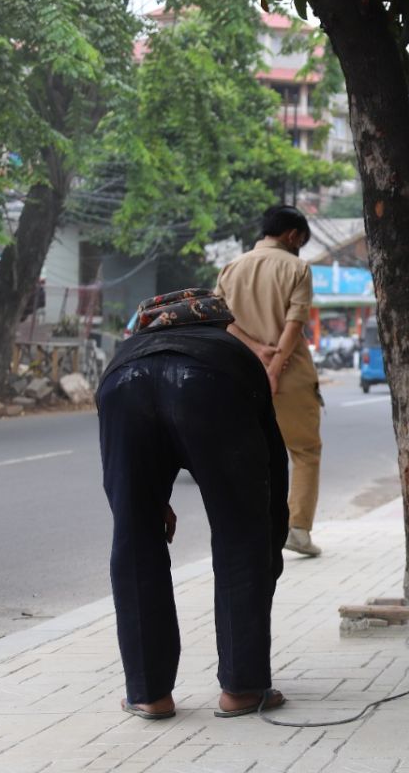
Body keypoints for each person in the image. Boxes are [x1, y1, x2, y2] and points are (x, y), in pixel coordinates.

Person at [96, 289, 289, 719]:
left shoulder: (126, 354)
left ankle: (149, 695)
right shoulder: (229, 351)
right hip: (209, 385)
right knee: (241, 536)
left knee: (135, 539)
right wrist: (270, 537)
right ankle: (242, 688)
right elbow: (272, 466)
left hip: (123, 389)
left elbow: (122, 481)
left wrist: (149, 503)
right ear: (217, 324)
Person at [216, 205, 324, 556]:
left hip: (239, 373)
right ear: (292, 236)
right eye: (301, 241)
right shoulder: (297, 268)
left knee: (249, 455)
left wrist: (255, 349)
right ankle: (297, 530)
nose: (300, 247)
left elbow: (220, 321)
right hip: (289, 376)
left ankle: (249, 531)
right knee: (305, 452)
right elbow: (295, 323)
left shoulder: (232, 269)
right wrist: (274, 368)